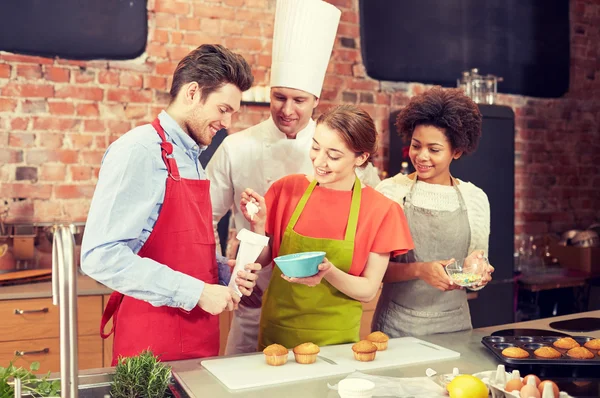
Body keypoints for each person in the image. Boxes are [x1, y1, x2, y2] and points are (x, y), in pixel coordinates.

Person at [206, 0, 380, 355]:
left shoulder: (340, 146)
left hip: (322, 304)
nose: (288, 110)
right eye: (279, 97)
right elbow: (203, 218)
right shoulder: (236, 147)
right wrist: (226, 274)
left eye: (299, 100)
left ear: (315, 99)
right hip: (251, 294)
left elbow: (371, 211)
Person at [80, 44, 260, 364]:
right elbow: (100, 256)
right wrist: (197, 293)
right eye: (223, 109)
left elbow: (183, 247)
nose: (228, 122)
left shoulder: (192, 159)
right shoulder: (139, 150)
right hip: (152, 349)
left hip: (199, 342)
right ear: (192, 93)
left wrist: (220, 271)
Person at [240, 105, 414, 349]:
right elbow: (265, 259)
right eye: (315, 147)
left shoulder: (382, 211)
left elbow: (367, 290)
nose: (319, 161)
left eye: (333, 155)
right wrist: (258, 227)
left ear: (361, 157)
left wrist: (328, 272)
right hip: (278, 334)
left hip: (338, 341)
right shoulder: (286, 190)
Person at [372, 87, 495, 337]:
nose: (422, 156)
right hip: (397, 326)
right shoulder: (390, 192)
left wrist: (479, 272)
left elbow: (477, 263)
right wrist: (420, 270)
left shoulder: (475, 199)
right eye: (416, 146)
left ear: (457, 151)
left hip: (456, 325)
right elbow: (372, 272)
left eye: (434, 149)